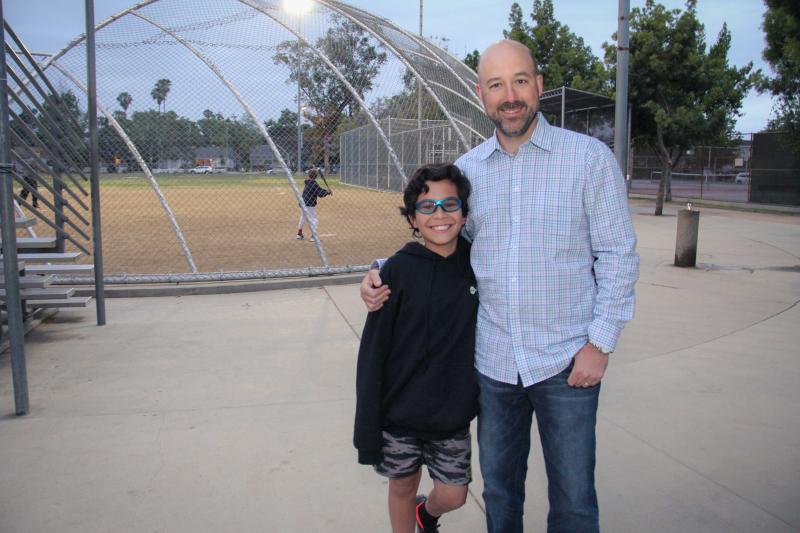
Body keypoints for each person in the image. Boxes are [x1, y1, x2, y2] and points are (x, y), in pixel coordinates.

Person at [361, 40, 639, 533]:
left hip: (567, 360)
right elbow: (441, 242)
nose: (509, 96)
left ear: (537, 84)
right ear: (481, 94)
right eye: (496, 85)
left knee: (574, 498)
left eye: (519, 81)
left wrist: (600, 343)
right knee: (501, 493)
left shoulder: (588, 160)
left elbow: (618, 256)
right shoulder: (469, 172)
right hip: (493, 366)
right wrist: (382, 268)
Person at [354, 163, 479, 533]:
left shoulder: (479, 264)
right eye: (427, 207)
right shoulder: (395, 273)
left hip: (451, 416)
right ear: (412, 218)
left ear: (465, 213)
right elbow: (374, 353)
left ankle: (428, 516)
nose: (439, 215)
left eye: (450, 204)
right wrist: (368, 425)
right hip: (400, 414)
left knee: (454, 494)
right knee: (403, 486)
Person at [295, 168, 332, 241]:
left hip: (303, 204)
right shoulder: (314, 184)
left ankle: (299, 234)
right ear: (316, 176)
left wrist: (326, 191)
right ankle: (313, 236)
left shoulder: (308, 182)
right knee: (314, 219)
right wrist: (327, 192)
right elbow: (320, 193)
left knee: (303, 217)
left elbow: (319, 190)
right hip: (309, 204)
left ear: (309, 175)